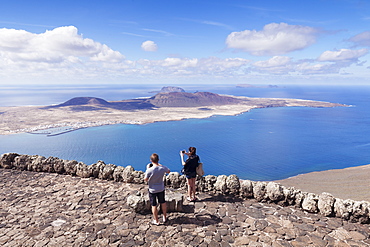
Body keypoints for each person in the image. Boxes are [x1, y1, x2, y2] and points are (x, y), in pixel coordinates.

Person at [144, 153, 170, 225]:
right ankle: (164, 217)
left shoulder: (149, 170)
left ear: (151, 160)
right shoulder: (162, 168)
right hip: (161, 188)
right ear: (158, 160)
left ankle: (156, 220)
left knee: (154, 205)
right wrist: (160, 165)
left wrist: (147, 169)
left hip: (152, 189)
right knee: (163, 202)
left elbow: (145, 179)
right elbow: (168, 171)